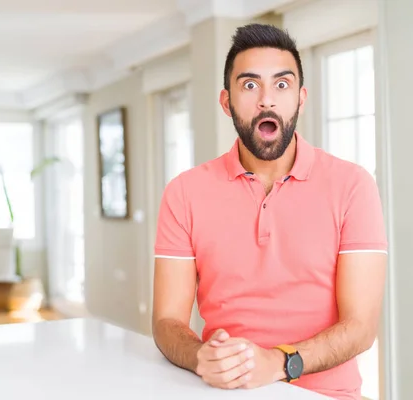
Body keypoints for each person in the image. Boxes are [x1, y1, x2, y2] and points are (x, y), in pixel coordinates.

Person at [151, 23, 388, 400]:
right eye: (249, 85)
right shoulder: (184, 193)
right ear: (226, 101)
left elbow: (361, 327)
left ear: (300, 98)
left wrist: (279, 362)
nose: (267, 100)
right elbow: (166, 322)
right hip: (223, 392)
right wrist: (200, 356)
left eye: (281, 84)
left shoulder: (353, 186)